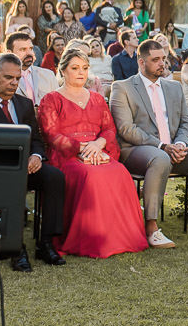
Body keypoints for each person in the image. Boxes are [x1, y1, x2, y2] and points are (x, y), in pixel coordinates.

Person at [111, 40, 188, 247]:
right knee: (160, 159)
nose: (162, 63)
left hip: (173, 150)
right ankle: (151, 228)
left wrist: (179, 143)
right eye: (156, 60)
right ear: (141, 62)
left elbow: (185, 122)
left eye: (164, 58)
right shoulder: (122, 87)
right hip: (137, 151)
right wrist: (162, 146)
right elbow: (125, 129)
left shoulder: (173, 87)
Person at [37, 47, 148, 258]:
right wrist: (82, 148)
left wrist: (97, 145)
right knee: (90, 176)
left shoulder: (97, 99)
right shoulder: (51, 99)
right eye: (75, 68)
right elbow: (51, 135)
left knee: (120, 173)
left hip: (98, 150)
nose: (81, 72)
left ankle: (121, 236)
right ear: (63, 71)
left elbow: (109, 128)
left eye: (85, 68)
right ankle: (92, 238)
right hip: (67, 156)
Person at [0, 52, 67, 271]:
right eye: (8, 77)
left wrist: (36, 156)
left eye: (17, 78)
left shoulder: (25, 104)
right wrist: (16, 163)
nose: (13, 83)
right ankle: (16, 249)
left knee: (55, 178)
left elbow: (36, 139)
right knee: (12, 183)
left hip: (28, 166)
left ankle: (45, 243)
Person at [4, 31, 58, 106]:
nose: (29, 53)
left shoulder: (48, 75)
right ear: (9, 53)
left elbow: (58, 105)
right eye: (23, 49)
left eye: (31, 48)